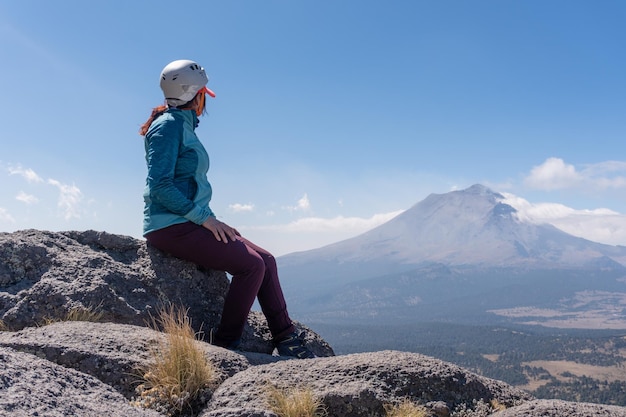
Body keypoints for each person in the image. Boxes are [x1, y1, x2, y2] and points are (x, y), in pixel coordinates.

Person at [139, 59, 314, 359]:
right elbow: (160, 187)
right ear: (194, 94)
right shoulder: (168, 128)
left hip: (187, 221)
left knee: (267, 260)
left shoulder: (182, 125)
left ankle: (287, 340)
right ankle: (225, 346)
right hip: (169, 226)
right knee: (251, 266)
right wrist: (206, 220)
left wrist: (208, 220)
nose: (206, 99)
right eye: (203, 92)